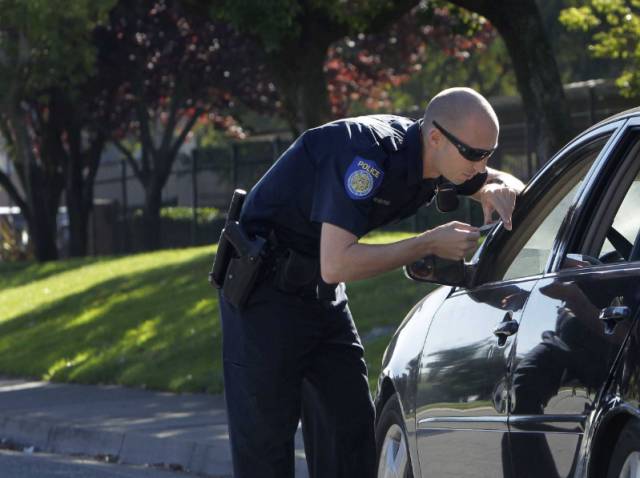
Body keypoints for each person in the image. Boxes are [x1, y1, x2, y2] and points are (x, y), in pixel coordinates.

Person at [217, 87, 525, 478]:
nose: (482, 164)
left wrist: (499, 185)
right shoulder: (367, 156)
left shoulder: (442, 158)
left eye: (489, 153)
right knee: (265, 452)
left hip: (321, 298)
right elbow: (337, 262)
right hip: (264, 298)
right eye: (475, 154)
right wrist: (428, 242)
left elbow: (507, 182)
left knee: (351, 440)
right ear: (435, 137)